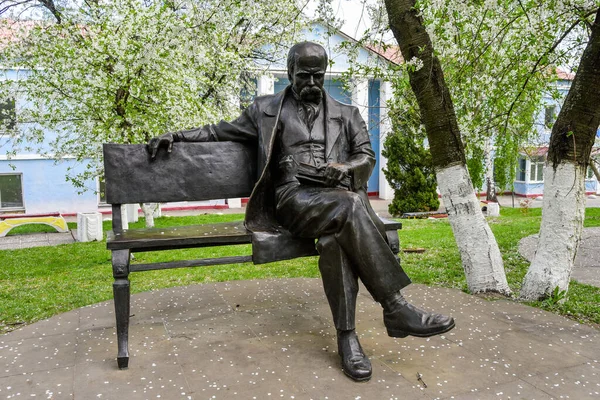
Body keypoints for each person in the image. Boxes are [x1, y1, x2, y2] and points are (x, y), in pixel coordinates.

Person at [148, 41, 454, 382]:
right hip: (291, 200)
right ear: (290, 72)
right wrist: (176, 136)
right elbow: (218, 131)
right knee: (351, 205)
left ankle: (348, 338)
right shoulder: (265, 110)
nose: (311, 83)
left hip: (334, 200)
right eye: (303, 75)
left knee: (336, 239)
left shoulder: (347, 113)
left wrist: (345, 168)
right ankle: (395, 308)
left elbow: (366, 156)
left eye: (318, 76)